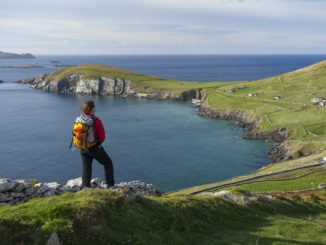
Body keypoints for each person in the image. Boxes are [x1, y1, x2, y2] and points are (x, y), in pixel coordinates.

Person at [76, 101, 115, 188]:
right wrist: (98, 143)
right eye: (94, 107)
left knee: (86, 167)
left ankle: (85, 187)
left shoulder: (79, 119)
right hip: (94, 147)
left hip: (83, 147)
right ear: (92, 109)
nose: (95, 108)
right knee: (108, 163)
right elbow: (102, 136)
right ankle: (110, 185)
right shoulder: (96, 120)